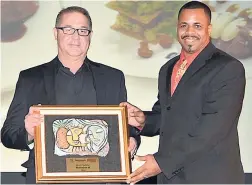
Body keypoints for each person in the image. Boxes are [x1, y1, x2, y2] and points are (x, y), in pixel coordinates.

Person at [1, 6, 140, 184]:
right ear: (55, 33)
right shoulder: (31, 78)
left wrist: (132, 142)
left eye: (83, 31)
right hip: (48, 180)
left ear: (90, 36)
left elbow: (128, 127)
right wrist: (28, 132)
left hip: (103, 178)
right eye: (68, 29)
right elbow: (8, 135)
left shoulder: (113, 77)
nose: (76, 37)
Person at [121, 1, 246, 184]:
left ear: (209, 29)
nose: (189, 32)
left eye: (197, 26)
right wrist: (143, 120)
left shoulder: (227, 68)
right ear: (177, 28)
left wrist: (162, 163)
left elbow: (211, 131)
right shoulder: (168, 68)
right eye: (184, 25)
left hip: (211, 178)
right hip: (172, 179)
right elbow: (166, 115)